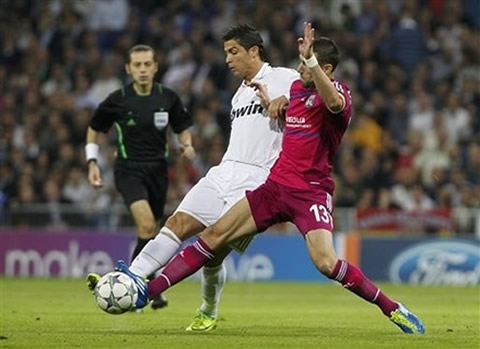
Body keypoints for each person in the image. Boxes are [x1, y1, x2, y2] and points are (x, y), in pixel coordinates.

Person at [117, 23, 425, 334]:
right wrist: (275, 103)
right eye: (301, 60)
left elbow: (331, 102)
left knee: (326, 264)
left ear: (325, 67)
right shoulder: (293, 89)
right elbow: (291, 106)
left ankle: (393, 308)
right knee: (212, 237)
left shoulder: (339, 94)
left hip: (311, 192)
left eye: (306, 62)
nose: (300, 66)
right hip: (274, 188)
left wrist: (309, 68)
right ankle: (148, 290)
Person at [89, 24, 299, 331]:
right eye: (226, 52)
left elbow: (316, 104)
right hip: (225, 171)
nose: (227, 59)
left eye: (234, 52)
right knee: (176, 224)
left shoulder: (285, 77)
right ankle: (131, 277)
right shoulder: (239, 94)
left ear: (254, 51)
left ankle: (208, 310)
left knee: (212, 253)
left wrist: (289, 102)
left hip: (259, 181)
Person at [85, 44, 196, 310]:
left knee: (150, 233)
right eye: (138, 65)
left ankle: (149, 285)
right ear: (129, 69)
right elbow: (94, 128)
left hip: (159, 171)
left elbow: (182, 127)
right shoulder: (118, 99)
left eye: (148, 64)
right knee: (147, 226)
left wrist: (187, 144)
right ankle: (121, 284)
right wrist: (92, 162)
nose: (143, 69)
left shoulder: (167, 97)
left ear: (156, 67)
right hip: (128, 170)